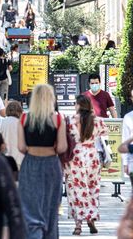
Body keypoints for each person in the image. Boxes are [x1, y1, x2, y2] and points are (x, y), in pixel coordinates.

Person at [17, 84, 67, 239]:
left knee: (30, 207)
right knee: (51, 208)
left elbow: (21, 147)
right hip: (51, 165)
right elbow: (62, 148)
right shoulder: (58, 119)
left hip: (30, 163)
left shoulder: (24, 118)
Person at [65, 95, 108, 235]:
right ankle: (91, 218)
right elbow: (104, 135)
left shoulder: (70, 120)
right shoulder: (97, 121)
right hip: (91, 155)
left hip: (75, 157)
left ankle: (78, 225)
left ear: (77, 105)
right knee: (92, 189)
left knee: (76, 190)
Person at [0, 100, 24, 169]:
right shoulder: (21, 123)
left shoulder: (1, 122)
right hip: (19, 158)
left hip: (4, 157)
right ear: (20, 111)